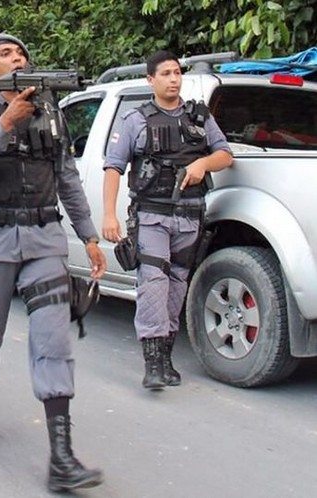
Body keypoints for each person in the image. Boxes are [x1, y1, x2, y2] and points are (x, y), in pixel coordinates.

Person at [0, 33, 106, 492]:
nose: (17, 58)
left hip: (44, 240)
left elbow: (67, 179)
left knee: (54, 341)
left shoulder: (51, 113)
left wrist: (89, 237)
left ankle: (62, 457)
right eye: (6, 54)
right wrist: (5, 124)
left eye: (21, 53)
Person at [102, 49, 233, 390]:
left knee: (176, 287)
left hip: (190, 216)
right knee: (153, 284)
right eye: (166, 74)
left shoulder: (199, 116)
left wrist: (203, 163)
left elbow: (224, 154)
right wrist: (109, 215)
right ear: (151, 80)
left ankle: (166, 358)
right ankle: (152, 365)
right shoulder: (136, 119)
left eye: (177, 73)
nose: (174, 79)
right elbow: (113, 167)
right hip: (152, 216)